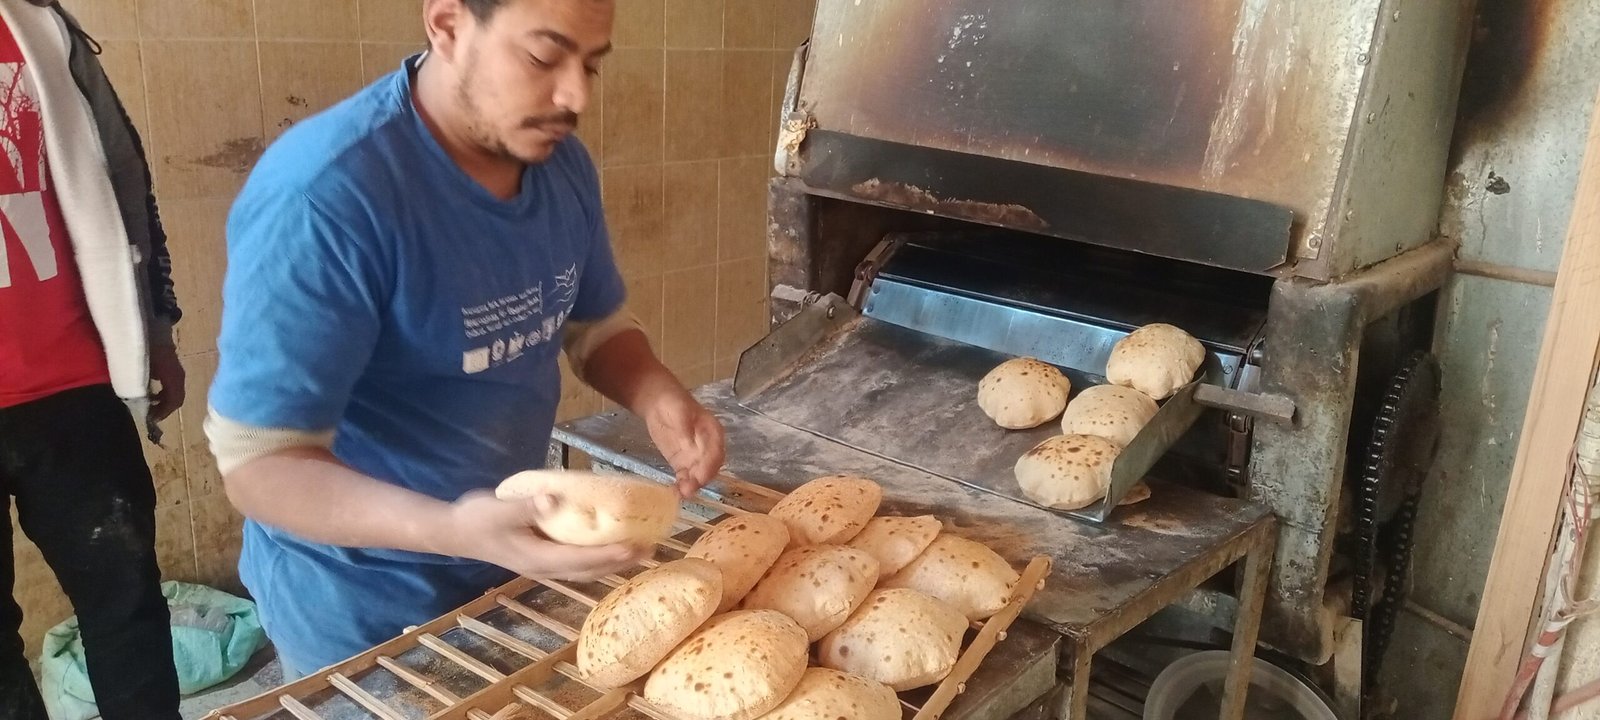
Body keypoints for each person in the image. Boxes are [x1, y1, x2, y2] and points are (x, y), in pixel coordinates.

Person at [206, 0, 727, 678]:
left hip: (509, 567)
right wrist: (451, 529)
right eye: (543, 57)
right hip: (360, 606)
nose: (575, 97)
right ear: (448, 25)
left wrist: (657, 396)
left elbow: (592, 323)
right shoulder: (325, 198)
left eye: (591, 66)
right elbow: (260, 464)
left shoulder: (560, 165)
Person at [0, 1, 186, 718]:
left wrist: (157, 334)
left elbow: (125, 183)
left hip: (75, 386)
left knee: (127, 608)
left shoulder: (37, 23)